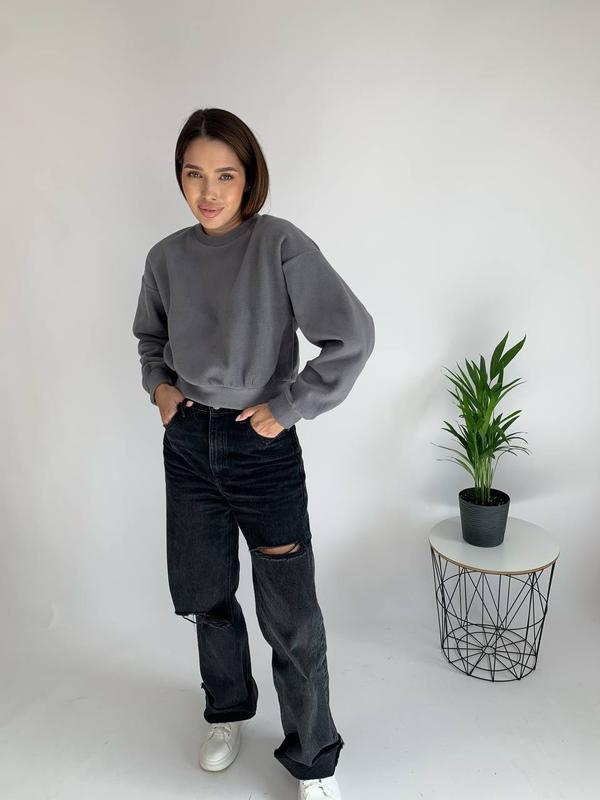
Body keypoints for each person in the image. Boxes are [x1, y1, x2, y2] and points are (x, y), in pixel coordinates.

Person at [132, 107, 375, 800]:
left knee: (291, 615)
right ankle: (228, 711)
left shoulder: (280, 244)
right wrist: (161, 389)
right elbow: (150, 340)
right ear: (180, 177)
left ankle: (313, 757)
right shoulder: (165, 257)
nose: (208, 191)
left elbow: (352, 336)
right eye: (194, 175)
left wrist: (290, 406)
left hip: (261, 450)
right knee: (206, 596)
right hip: (188, 445)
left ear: (249, 178)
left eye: (225, 175)